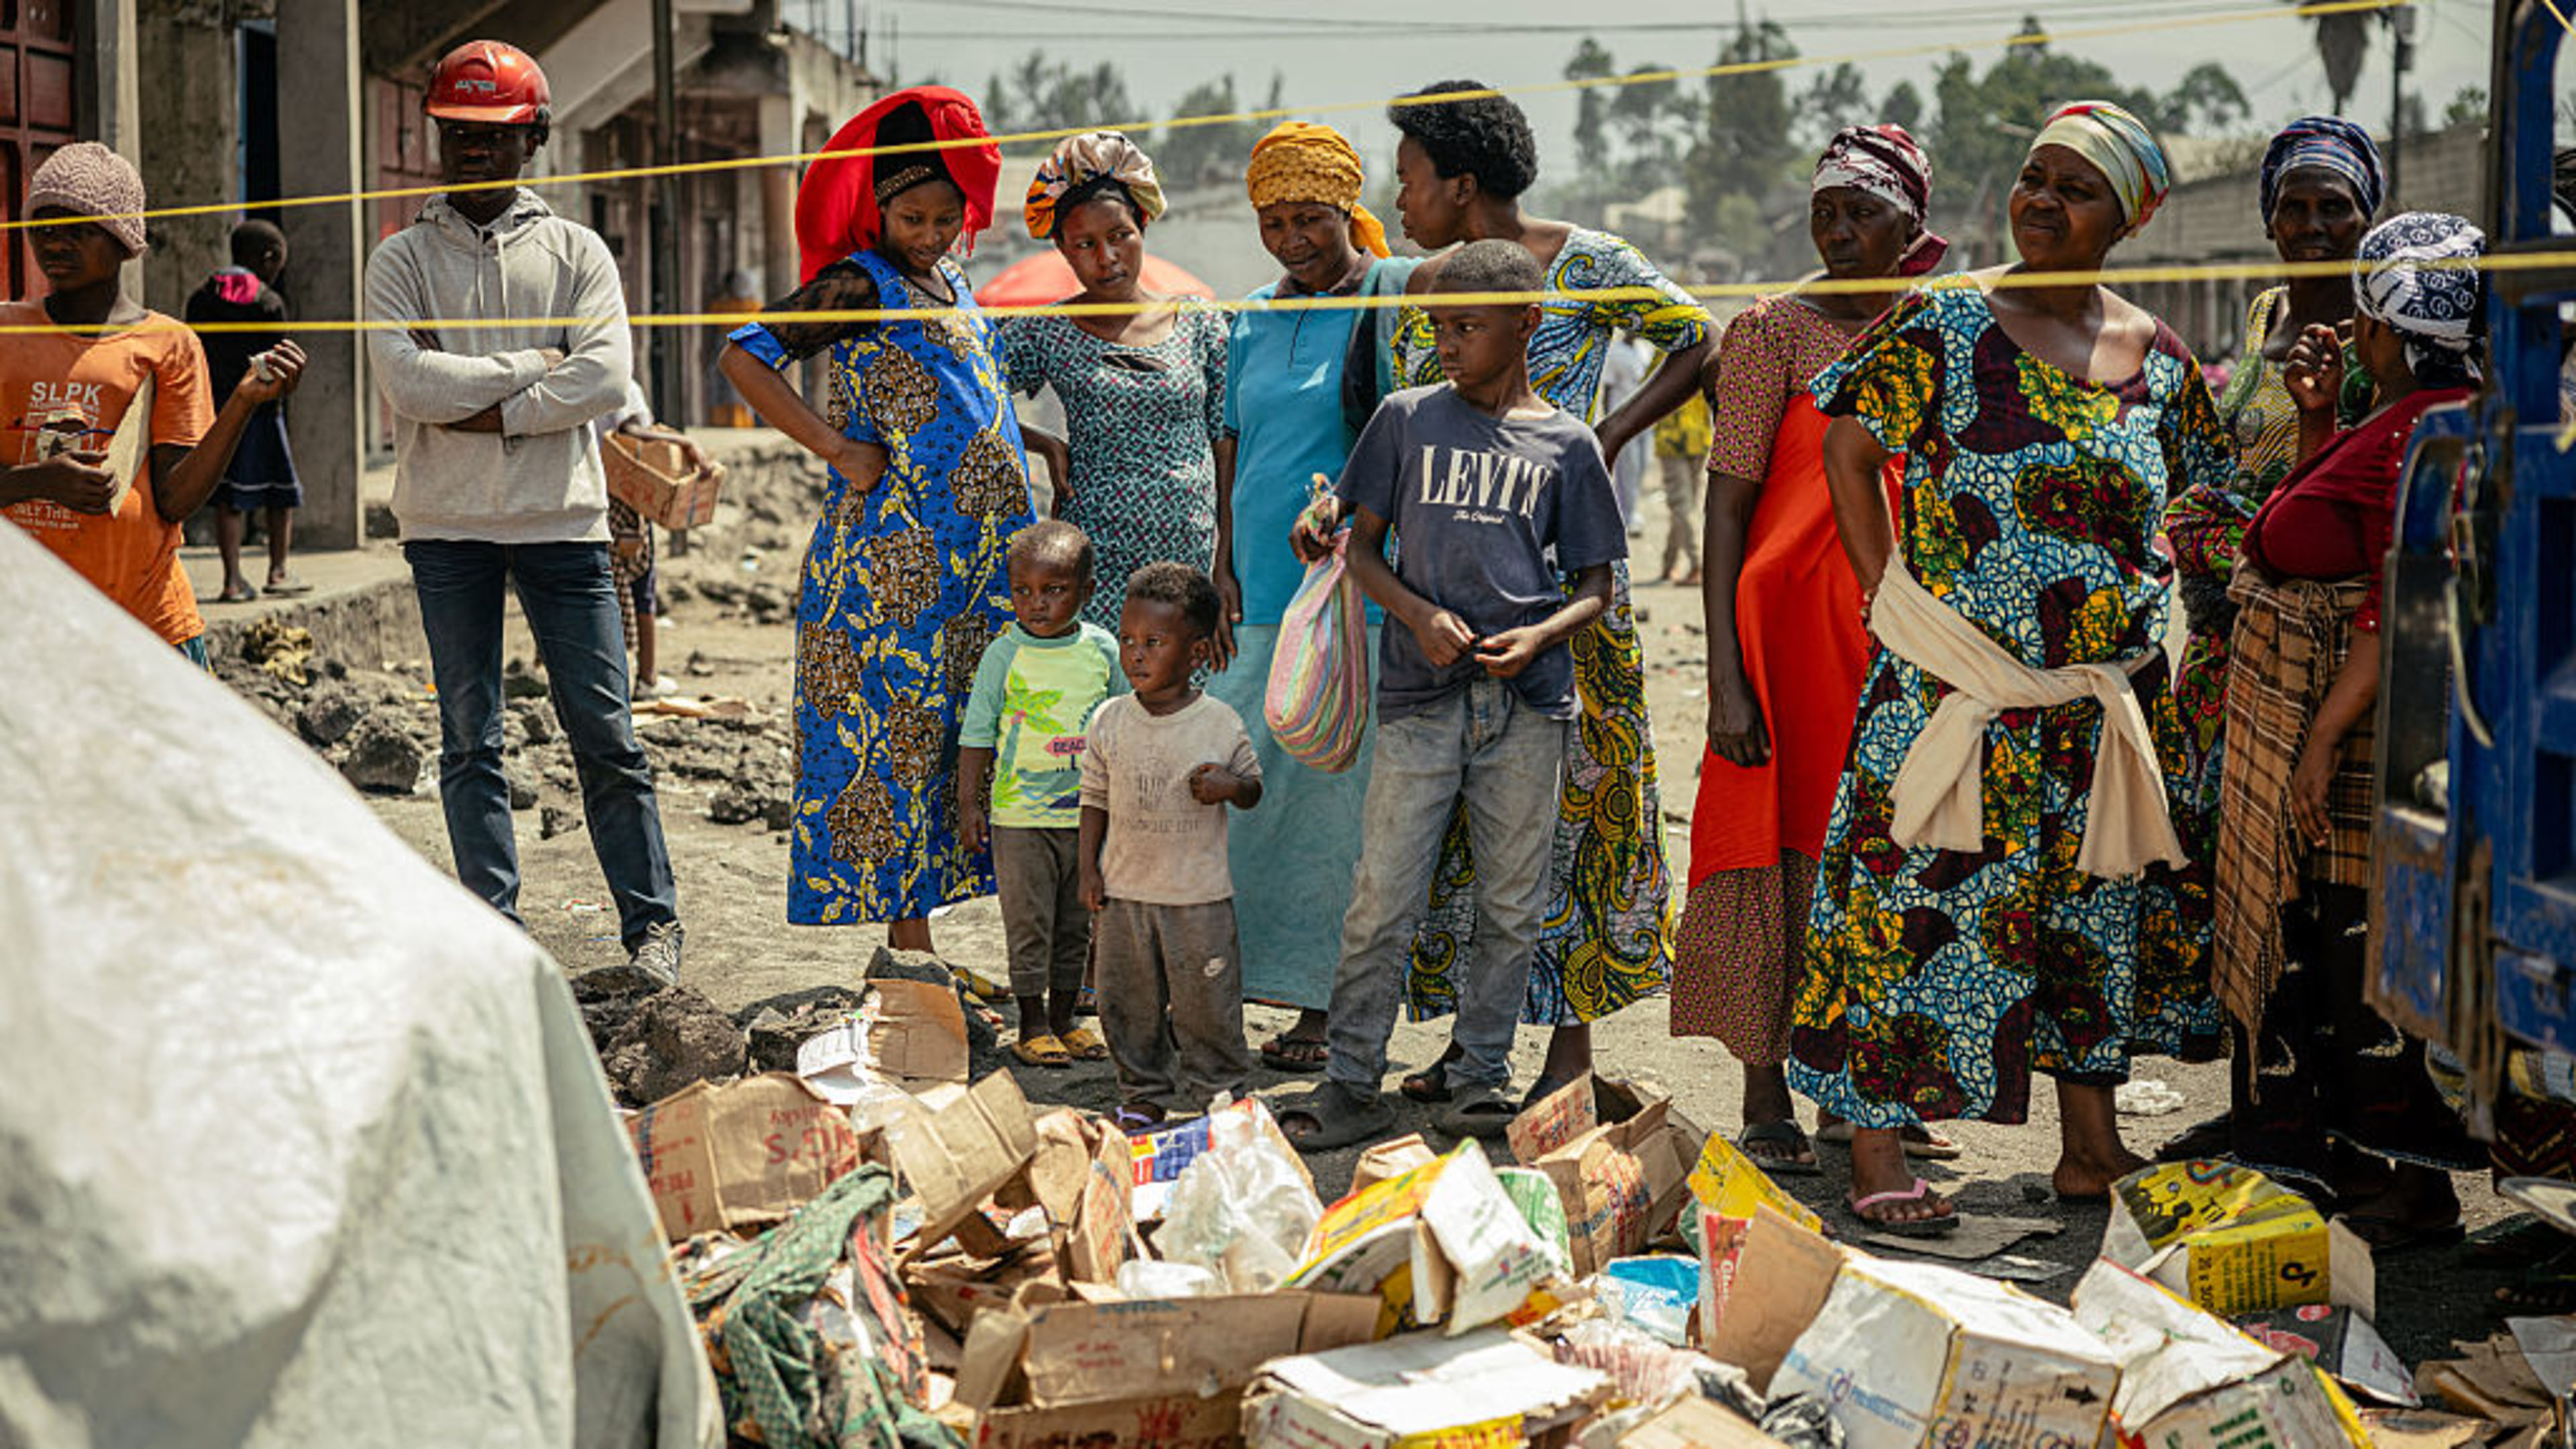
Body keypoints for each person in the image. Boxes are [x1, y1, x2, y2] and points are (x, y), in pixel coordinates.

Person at [1792, 101, 2227, 1233]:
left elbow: (2197, 499)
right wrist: (1891, 599)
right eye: (2035, 177)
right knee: (1908, 907)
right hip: (1955, 694)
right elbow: (1848, 442)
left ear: (2124, 219)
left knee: (2090, 919)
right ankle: (1878, 1151)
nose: (2043, 201)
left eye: (2075, 189)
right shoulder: (1943, 321)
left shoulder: (2162, 363)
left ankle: (2092, 1151)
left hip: (2094, 716)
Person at [1372, 80, 1713, 1106]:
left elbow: (1699, 337)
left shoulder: (1591, 263)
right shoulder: (1416, 286)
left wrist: (1608, 435)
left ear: (1462, 185)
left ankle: (1570, 1061)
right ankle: (1470, 1053)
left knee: (1580, 818)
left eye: (1411, 181)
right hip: (1446, 604)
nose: (1401, 203)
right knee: (1460, 827)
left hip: (1569, 600)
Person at [1274, 239, 1625, 1148]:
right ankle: (1351, 1077)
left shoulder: (1569, 443)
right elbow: (1356, 549)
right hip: (1421, 701)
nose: (1451, 346)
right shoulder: (1406, 419)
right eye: (1440, 328)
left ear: (1527, 326)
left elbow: (1596, 585)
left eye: (1469, 327)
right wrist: (1419, 616)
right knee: (1383, 896)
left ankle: (1479, 1078)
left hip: (1528, 706)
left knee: (1512, 906)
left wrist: (1544, 632)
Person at [363, 41, 684, 984]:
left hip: (564, 523)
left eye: (494, 133)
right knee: (471, 740)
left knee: (609, 736)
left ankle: (651, 929)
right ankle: (493, 929)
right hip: (444, 526)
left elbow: (607, 377)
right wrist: (539, 371)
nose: (472, 148)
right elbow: (403, 384)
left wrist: (480, 395)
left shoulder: (577, 251)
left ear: (534, 138)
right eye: (458, 131)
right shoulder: (400, 258)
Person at [1680, 124, 1955, 1175]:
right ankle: (1767, 1093)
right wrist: (1724, 676)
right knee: (1777, 855)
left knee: (1888, 858)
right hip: (1783, 635)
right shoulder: (1770, 332)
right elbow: (1728, 506)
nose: (1839, 234)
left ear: (1910, 228)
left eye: (1864, 216)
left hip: (1905, 634)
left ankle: (1871, 1085)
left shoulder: (1939, 325)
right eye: (1825, 215)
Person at [2212, 212, 2491, 1246]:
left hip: (2366, 742)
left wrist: (2322, 738)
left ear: (2385, 329)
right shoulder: (2413, 419)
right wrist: (2322, 421)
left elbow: (2392, 600)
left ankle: (2412, 1185)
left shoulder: (2428, 428)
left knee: (2359, 954)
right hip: (2353, 722)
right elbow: (2329, 519)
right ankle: (2368, 1166)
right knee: (2338, 950)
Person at [715, 86, 1032, 954]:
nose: (930, 233)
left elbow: (967, 397)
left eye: (945, 217)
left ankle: (933, 949)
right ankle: (910, 952)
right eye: (913, 216)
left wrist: (1034, 438)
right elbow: (744, 356)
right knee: (899, 741)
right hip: (891, 572)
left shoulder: (953, 280)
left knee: (959, 744)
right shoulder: (859, 282)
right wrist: (835, 447)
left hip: (972, 572)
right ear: (879, 206)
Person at [2155, 115, 2383, 1164]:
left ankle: (2336, 1122)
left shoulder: (2389, 339)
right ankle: (2262, 1106)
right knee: (2236, 874)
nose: (2310, 224)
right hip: (2226, 652)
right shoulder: (2260, 320)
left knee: (2325, 885)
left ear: (2367, 215)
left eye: (2334, 206)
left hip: (2333, 661)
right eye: (2294, 206)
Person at [1208, 121, 1417, 1071]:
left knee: (1336, 807)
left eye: (1311, 218)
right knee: (1254, 798)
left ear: (1349, 211)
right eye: (1275, 220)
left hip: (1352, 593)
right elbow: (1233, 448)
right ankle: (1251, 987)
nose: (1293, 238)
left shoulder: (1395, 294)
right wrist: (1220, 561)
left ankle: (1328, 1009)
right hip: (1256, 590)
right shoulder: (1245, 316)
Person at [1, 142, 305, 668]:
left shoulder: (169, 345)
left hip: (148, 627)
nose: (56, 244)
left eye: (79, 229)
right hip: (29, 630)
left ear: (122, 241)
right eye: (44, 228)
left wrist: (242, 404)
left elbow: (176, 499)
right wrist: (39, 482)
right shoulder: (7, 333)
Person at [1002, 131, 1227, 629]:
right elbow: (967, 398)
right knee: (1102, 692)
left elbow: (1224, 440)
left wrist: (1225, 560)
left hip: (1188, 555)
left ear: (1142, 226)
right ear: (1063, 249)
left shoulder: (1199, 322)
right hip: (1096, 560)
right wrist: (1045, 444)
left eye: (1120, 236)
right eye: (1085, 244)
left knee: (1179, 697)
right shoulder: (1047, 330)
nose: (1107, 257)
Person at [1079, 561, 1263, 1128]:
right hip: (1125, 892)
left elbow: (1254, 788)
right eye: (1129, 641)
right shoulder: (1110, 718)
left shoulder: (1219, 722)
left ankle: (1219, 1088)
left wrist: (1230, 787)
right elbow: (1094, 797)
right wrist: (1088, 868)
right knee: (1126, 1001)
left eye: (1154, 643)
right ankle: (1143, 1091)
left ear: (1198, 653)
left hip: (1198, 899)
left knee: (1206, 1002)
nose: (1135, 655)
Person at [960, 519, 1124, 1070]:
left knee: (1076, 921)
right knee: (1029, 922)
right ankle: (1031, 1023)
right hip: (1019, 817)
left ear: (1087, 591)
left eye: (1054, 591)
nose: (1037, 604)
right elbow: (978, 734)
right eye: (1024, 591)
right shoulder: (1003, 655)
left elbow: (1126, 723)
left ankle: (1065, 1020)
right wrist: (970, 804)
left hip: (1088, 817)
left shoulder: (1103, 650)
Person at [186, 219, 306, 602]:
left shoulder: (202, 297)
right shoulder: (269, 303)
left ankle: (232, 581)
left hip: (219, 411)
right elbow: (279, 363)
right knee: (281, 495)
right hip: (263, 412)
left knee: (229, 498)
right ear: (268, 258)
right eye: (279, 262)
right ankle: (278, 571)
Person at [594, 375, 709, 700]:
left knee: (593, 585)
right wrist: (684, 444)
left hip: (589, 494)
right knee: (640, 585)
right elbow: (629, 432)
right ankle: (646, 678)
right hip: (624, 496)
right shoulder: (621, 384)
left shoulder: (576, 379)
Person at [1650, 385, 1709, 585]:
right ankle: (1670, 564)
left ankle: (1698, 564)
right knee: (1688, 506)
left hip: (1673, 439)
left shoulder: (1664, 356)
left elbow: (1648, 392)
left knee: (1682, 506)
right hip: (1700, 436)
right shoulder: (1709, 354)